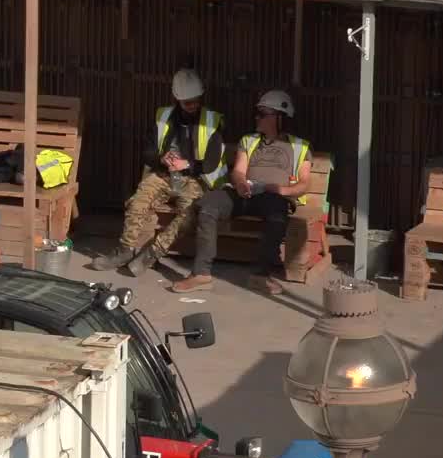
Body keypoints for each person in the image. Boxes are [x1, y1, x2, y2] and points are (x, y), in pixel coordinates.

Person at [87, 69, 227, 277]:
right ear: (177, 99)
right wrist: (161, 159)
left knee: (188, 216)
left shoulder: (212, 120)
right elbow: (148, 151)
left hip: (195, 179)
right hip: (163, 175)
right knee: (137, 201)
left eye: (196, 101)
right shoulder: (163, 117)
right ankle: (125, 251)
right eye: (188, 102)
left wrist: (186, 164)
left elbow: (211, 163)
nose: (193, 106)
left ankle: (151, 254)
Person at [173, 90, 312, 296]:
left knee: (277, 216)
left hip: (274, 196)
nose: (257, 118)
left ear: (279, 117)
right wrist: (239, 184)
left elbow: (304, 184)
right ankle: (201, 273)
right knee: (208, 205)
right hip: (245, 191)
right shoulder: (248, 140)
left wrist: (279, 189)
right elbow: (238, 170)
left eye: (263, 114)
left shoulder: (300, 146)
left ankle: (260, 276)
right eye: (257, 113)